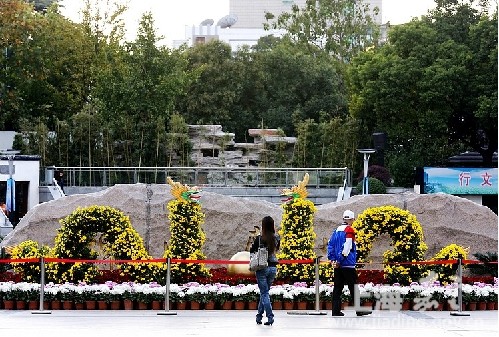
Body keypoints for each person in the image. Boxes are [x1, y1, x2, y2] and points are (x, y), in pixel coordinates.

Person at [327, 210, 372, 317]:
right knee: (353, 287)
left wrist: (334, 260)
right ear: (351, 219)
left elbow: (330, 246)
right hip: (347, 264)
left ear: (343, 218)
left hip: (338, 265)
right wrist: (339, 260)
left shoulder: (336, 230)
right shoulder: (350, 230)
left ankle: (335, 311)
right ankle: (359, 309)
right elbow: (347, 247)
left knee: (337, 288)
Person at [250, 216, 280, 326]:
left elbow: (252, 251)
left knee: (264, 293)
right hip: (273, 267)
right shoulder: (276, 238)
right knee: (265, 293)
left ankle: (270, 316)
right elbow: (276, 250)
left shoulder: (259, 238)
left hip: (262, 268)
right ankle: (259, 316)